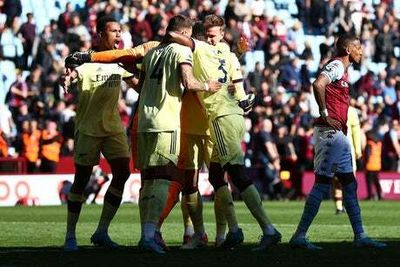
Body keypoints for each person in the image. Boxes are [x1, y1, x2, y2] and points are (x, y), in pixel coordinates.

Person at [289, 35, 386, 250]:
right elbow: (318, 84)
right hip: (330, 134)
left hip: (338, 136)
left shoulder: (343, 70)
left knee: (350, 184)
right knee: (322, 184)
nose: (361, 51)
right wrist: (324, 114)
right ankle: (299, 236)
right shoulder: (336, 65)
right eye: (358, 47)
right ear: (347, 49)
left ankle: (360, 236)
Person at [134, 15, 220, 254]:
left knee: (148, 180)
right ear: (183, 34)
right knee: (165, 177)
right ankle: (150, 236)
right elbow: (189, 82)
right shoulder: (181, 51)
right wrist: (207, 86)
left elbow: (139, 86)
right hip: (166, 121)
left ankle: (145, 234)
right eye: (189, 35)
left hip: (144, 121)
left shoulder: (152, 53)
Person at [61, 16, 135, 252]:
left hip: (113, 128)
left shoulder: (119, 61)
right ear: (101, 34)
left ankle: (102, 231)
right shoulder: (85, 60)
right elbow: (72, 74)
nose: (119, 35)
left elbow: (136, 82)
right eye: (114, 31)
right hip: (89, 129)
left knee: (122, 173)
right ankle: (70, 235)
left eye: (120, 31)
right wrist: (68, 78)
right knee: (81, 180)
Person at [332, 105, 362, 214]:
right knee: (336, 180)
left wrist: (358, 149)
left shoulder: (351, 111)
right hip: (333, 150)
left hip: (347, 150)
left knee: (349, 179)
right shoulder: (328, 108)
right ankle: (339, 207)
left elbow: (356, 131)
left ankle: (347, 204)